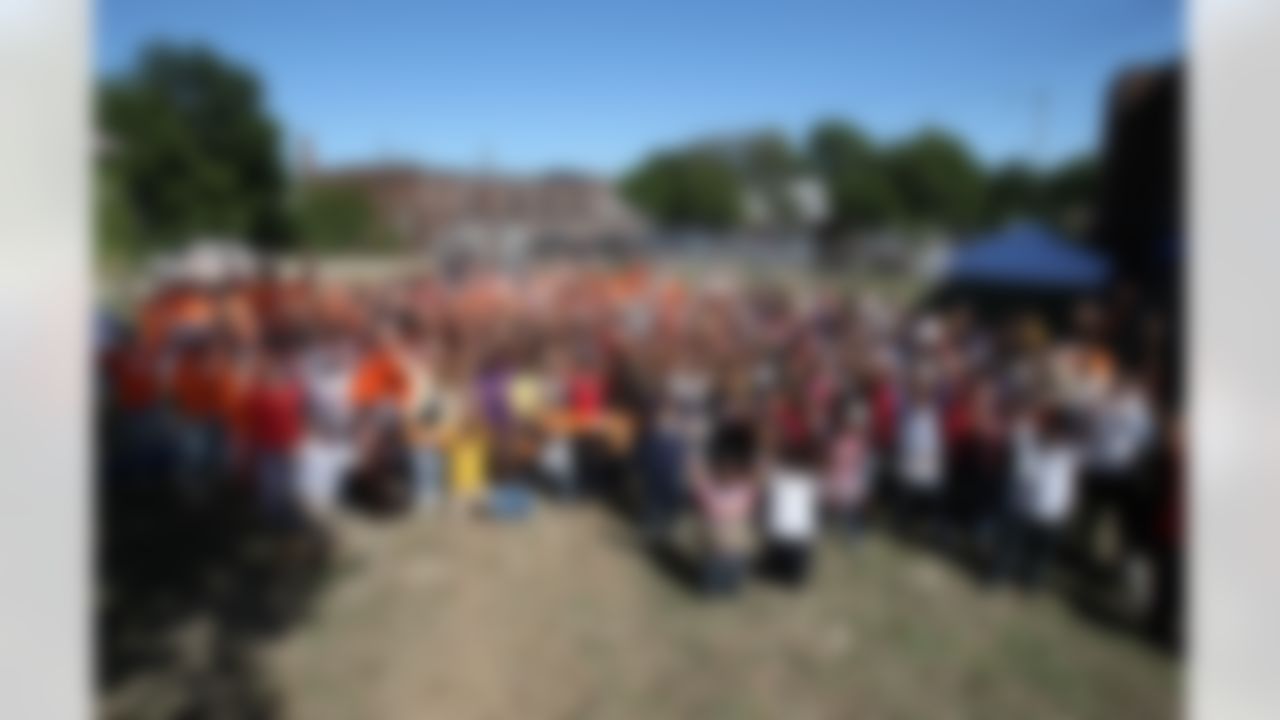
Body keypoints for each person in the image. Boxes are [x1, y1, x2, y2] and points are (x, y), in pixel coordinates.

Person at [1006, 408, 1081, 589]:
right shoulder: (1029, 445)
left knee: (1041, 553)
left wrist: (1065, 510)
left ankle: (1031, 580)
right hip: (1025, 508)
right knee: (1016, 546)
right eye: (1050, 430)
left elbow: (1069, 486)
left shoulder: (1071, 454)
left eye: (1059, 432)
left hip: (1052, 514)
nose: (1054, 435)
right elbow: (1021, 472)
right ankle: (1003, 572)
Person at [692, 410, 759, 598]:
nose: (728, 474)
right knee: (715, 591)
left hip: (731, 553)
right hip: (720, 552)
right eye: (725, 470)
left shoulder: (743, 491)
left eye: (732, 470)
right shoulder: (713, 490)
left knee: (722, 590)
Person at [762, 439, 821, 588]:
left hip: (779, 534)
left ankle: (779, 566)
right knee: (794, 575)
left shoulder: (776, 478)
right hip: (800, 537)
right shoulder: (812, 481)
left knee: (781, 568)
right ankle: (789, 568)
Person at [825, 398, 874, 542]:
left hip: (853, 480)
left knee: (855, 495)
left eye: (857, 424)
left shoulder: (863, 444)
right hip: (838, 479)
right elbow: (831, 464)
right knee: (837, 493)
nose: (854, 427)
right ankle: (839, 520)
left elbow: (863, 468)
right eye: (851, 423)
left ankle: (850, 525)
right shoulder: (838, 440)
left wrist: (862, 488)